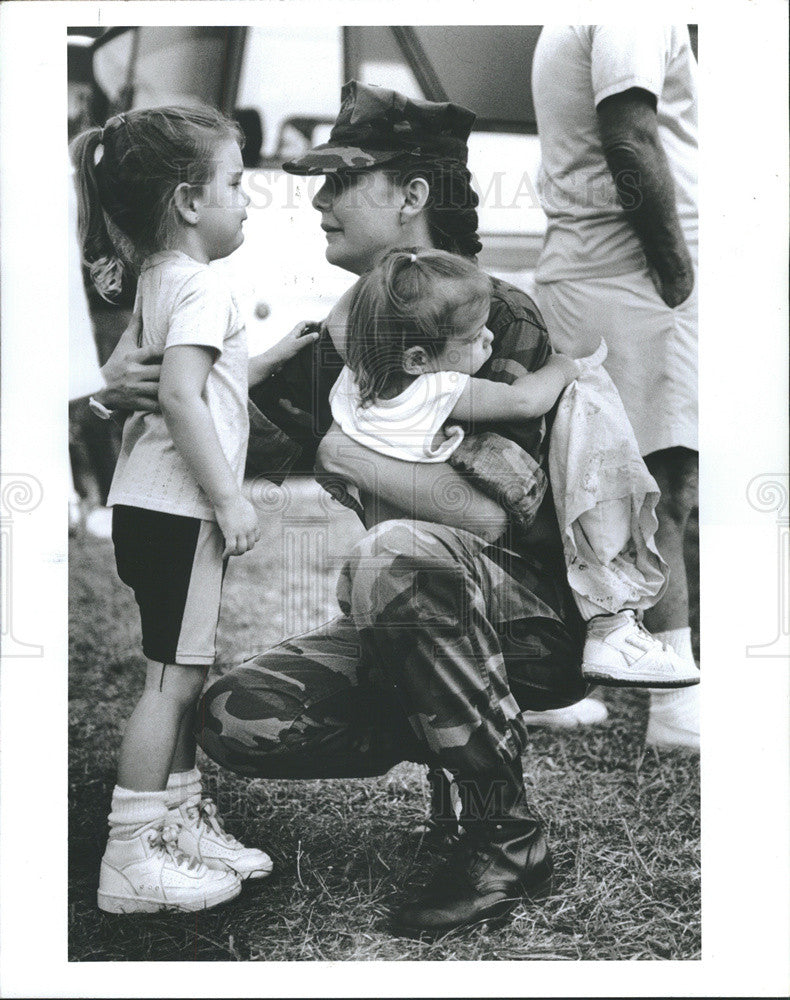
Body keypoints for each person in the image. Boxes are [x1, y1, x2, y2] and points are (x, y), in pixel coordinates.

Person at [99, 81, 583, 937]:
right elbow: (205, 412)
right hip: (418, 617)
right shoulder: (340, 341)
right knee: (235, 716)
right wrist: (116, 387)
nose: (316, 200)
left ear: (412, 196)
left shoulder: (490, 319)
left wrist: (344, 452)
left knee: (393, 554)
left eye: (341, 180)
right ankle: (449, 749)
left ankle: (505, 837)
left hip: (532, 622)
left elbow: (491, 523)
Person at [71, 105, 319, 914]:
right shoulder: (206, 286)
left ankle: (176, 821)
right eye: (237, 184)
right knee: (170, 685)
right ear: (187, 201)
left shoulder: (160, 280)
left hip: (149, 505)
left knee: (176, 672)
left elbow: (203, 385)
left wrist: (275, 352)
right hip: (182, 512)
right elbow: (181, 396)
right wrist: (229, 501)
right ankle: (132, 854)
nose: (248, 200)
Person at [331, 246, 699, 689]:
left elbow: (339, 325)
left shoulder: (352, 389)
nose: (489, 338)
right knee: (585, 402)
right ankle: (610, 618)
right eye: (471, 339)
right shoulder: (438, 388)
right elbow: (525, 401)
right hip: (446, 548)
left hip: (384, 545)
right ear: (416, 360)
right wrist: (564, 366)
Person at [531, 26, 700, 747]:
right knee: (659, 482)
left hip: (603, 269)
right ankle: (677, 705)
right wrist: (677, 270)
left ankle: (559, 676)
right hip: (633, 275)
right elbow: (630, 136)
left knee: (595, 483)